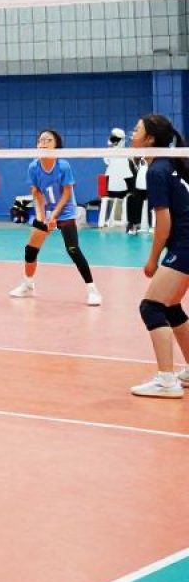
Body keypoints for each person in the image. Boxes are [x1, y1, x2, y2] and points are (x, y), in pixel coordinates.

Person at [127, 114, 189, 398]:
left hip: (184, 244)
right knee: (171, 306)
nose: (131, 134)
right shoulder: (172, 164)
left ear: (150, 139)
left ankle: (166, 380)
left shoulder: (156, 171)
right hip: (185, 243)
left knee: (151, 307)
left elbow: (163, 225)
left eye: (136, 130)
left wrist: (153, 259)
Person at [8, 129, 101, 306]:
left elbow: (67, 194)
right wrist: (42, 216)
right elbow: (36, 193)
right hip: (47, 211)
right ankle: (28, 284)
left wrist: (55, 216)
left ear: (56, 145)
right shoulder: (34, 167)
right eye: (40, 140)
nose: (43, 143)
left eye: (48, 140)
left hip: (65, 211)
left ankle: (92, 290)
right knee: (30, 250)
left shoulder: (63, 166)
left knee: (73, 249)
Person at [102, 127, 133, 227]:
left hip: (109, 190)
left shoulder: (108, 153)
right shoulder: (127, 154)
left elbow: (106, 162)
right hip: (123, 191)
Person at [125, 154, 149, 235]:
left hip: (143, 188)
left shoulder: (143, 163)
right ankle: (132, 224)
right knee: (133, 197)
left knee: (138, 195)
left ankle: (136, 224)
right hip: (130, 188)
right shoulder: (128, 163)